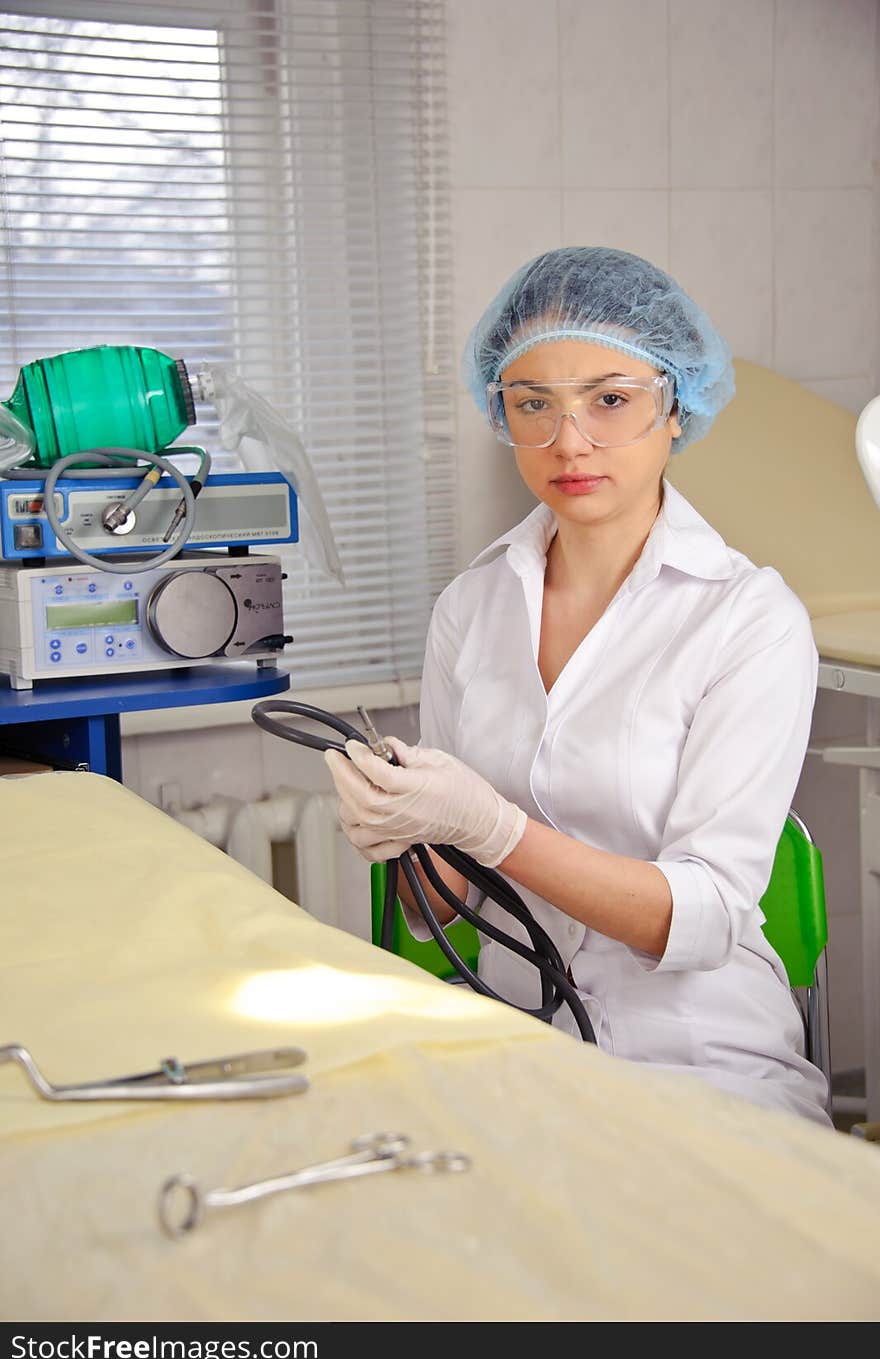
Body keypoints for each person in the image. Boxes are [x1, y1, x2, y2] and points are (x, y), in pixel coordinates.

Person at [325, 246, 830, 1126]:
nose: (569, 442)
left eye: (610, 400)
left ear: (675, 407)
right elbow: (435, 907)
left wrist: (490, 825)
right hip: (509, 1041)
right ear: (501, 412)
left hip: (701, 1059)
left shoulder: (750, 619)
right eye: (534, 405)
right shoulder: (471, 608)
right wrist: (404, 824)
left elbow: (701, 916)